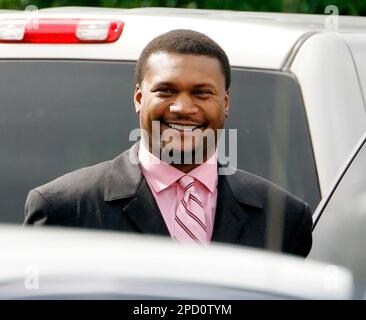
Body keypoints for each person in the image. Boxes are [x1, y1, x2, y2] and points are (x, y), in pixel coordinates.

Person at [24, 29, 312, 257]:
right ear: (139, 98)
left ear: (225, 102)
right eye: (166, 91)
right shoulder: (64, 209)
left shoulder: (285, 218)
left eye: (201, 93)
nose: (183, 107)